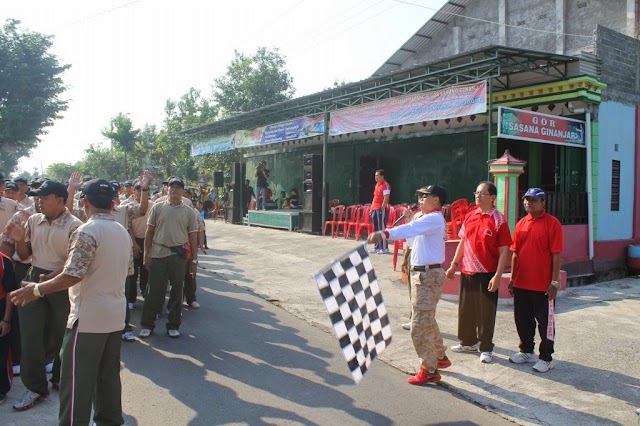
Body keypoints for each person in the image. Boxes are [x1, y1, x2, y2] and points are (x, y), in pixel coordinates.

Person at [11, 178, 133, 425]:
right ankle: (109, 420)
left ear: (84, 202)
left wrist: (36, 290)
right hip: (114, 316)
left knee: (75, 380)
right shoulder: (121, 231)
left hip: (87, 319)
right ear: (112, 203)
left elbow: (72, 274)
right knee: (107, 376)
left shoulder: (86, 231)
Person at [5, 180, 83, 411]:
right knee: (30, 335)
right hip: (34, 276)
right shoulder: (33, 221)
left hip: (61, 280)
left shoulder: (75, 225)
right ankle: (36, 387)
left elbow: (73, 263)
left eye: (44, 198)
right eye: (37, 197)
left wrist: (51, 278)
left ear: (60, 200)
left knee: (62, 334)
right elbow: (26, 254)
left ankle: (60, 377)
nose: (39, 202)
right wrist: (19, 240)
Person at [368, 185, 449, 385]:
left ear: (436, 200)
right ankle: (439, 356)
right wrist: (409, 219)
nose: (421, 200)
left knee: (418, 325)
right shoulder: (425, 218)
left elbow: (411, 230)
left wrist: (384, 233)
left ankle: (429, 369)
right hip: (423, 274)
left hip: (428, 275)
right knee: (426, 318)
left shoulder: (434, 218)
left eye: (425, 197)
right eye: (420, 197)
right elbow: (413, 240)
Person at [445, 182, 512, 364]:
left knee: (486, 313)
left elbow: (504, 250)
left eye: (483, 193)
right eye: (477, 192)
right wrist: (453, 265)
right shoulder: (470, 216)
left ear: (492, 198)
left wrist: (498, 276)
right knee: (466, 310)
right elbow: (462, 242)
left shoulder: (499, 220)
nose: (478, 196)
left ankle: (486, 347)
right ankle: (468, 342)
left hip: (487, 273)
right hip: (468, 271)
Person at [508, 188, 563, 373]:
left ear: (542, 202)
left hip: (543, 286)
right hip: (522, 283)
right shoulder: (521, 224)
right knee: (522, 319)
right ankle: (526, 350)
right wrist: (512, 278)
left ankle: (547, 358)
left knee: (545, 322)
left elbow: (556, 255)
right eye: (526, 200)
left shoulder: (552, 224)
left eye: (533, 200)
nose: (528, 203)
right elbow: (515, 253)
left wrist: (554, 282)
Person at [139, 176, 198, 339]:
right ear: (167, 189)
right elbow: (149, 232)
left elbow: (193, 237)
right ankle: (147, 324)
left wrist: (194, 260)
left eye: (178, 187)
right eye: (172, 187)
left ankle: (173, 324)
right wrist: (146, 254)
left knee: (176, 292)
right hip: (158, 254)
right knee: (154, 292)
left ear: (183, 191)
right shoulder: (157, 208)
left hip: (179, 257)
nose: (174, 189)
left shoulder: (189, 211)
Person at [0, 251, 19, 405]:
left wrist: (6, 320)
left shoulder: (4, 261)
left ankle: (2, 389)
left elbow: (10, 292)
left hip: (1, 310)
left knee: (2, 352)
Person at [370, 169, 391, 254]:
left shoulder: (385, 185)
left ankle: (384, 248)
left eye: (377, 176)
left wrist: (382, 208)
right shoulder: (377, 185)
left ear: (382, 176)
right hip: (374, 209)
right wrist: (371, 209)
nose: (376, 177)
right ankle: (377, 247)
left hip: (380, 209)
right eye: (375, 176)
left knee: (381, 228)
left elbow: (386, 198)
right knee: (376, 229)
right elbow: (375, 198)